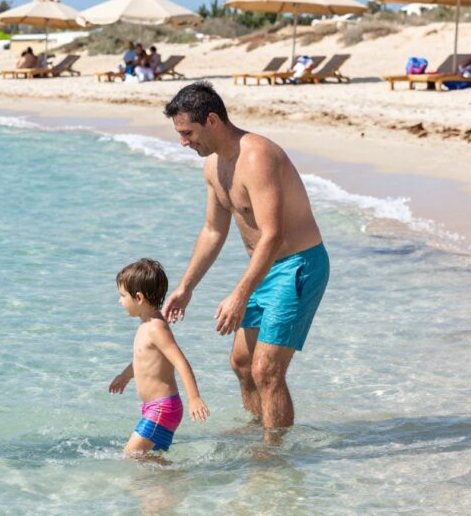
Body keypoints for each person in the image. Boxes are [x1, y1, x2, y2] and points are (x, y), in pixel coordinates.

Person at [160, 82, 329, 441]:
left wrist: (238, 295)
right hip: (267, 269)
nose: (184, 142)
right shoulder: (213, 167)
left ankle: (274, 453)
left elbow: (273, 234)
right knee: (241, 364)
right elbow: (211, 231)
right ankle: (260, 430)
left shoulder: (257, 157)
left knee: (266, 370)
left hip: (298, 265)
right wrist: (186, 287)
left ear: (212, 120)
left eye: (188, 133)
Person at [109, 259, 209, 456]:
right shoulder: (146, 325)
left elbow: (180, 362)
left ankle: (178, 477)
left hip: (163, 408)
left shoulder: (156, 327)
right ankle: (170, 482)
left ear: (138, 298)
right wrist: (124, 376)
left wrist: (194, 398)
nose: (120, 301)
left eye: (122, 296)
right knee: (148, 460)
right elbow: (142, 360)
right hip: (154, 408)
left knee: (131, 454)